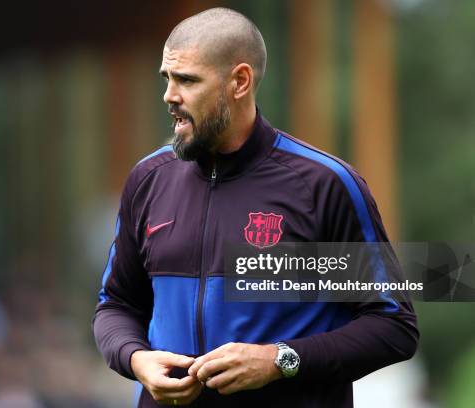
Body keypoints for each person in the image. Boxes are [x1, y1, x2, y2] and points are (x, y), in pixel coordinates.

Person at [93, 7, 418, 407]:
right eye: (167, 79)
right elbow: (117, 306)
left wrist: (280, 360)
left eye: (187, 80)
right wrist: (135, 358)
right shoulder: (148, 179)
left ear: (240, 81)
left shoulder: (323, 185)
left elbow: (392, 326)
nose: (170, 96)